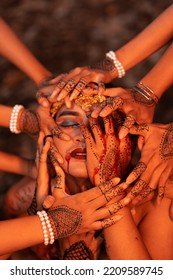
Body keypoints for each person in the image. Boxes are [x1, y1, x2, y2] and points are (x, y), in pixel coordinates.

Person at [30, 94, 173, 260]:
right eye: (69, 123)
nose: (84, 135)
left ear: (133, 142)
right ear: (47, 137)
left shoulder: (157, 201)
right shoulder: (28, 196)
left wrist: (109, 185)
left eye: (103, 127)